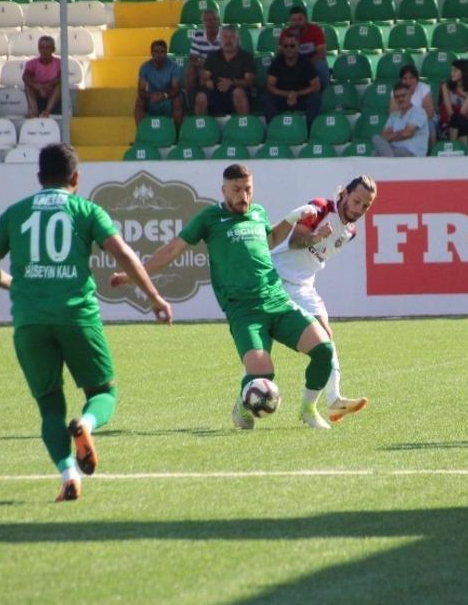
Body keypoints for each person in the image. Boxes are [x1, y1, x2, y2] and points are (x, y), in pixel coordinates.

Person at [0, 143, 172, 502]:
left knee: (50, 406)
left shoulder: (15, 212)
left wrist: (12, 284)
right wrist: (154, 298)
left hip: (30, 322)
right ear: (76, 178)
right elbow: (123, 253)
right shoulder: (86, 210)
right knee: (102, 393)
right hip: (77, 316)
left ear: (39, 178)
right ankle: (87, 424)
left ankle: (68, 474)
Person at [112, 163, 337, 430]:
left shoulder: (258, 212)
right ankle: (242, 406)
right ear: (223, 190)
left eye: (248, 189)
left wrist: (289, 220)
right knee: (262, 375)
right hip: (244, 311)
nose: (243, 196)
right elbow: (172, 250)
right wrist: (133, 275)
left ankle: (308, 409)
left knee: (324, 350)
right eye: (236, 190)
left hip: (277, 300)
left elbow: (269, 241)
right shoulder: (209, 218)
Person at [270, 176, 377, 426]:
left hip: (304, 285)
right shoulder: (319, 208)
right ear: (344, 195)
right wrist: (315, 237)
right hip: (276, 279)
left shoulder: (350, 231)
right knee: (264, 344)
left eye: (366, 206)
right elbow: (295, 242)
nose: (359, 209)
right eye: (357, 201)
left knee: (326, 339)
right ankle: (247, 397)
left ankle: (331, 399)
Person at [195, 26, 255, 118]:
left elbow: (250, 82)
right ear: (220, 40)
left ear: (238, 39)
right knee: (201, 97)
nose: (228, 41)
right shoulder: (212, 56)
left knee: (238, 92)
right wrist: (207, 83)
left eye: (232, 37)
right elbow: (203, 80)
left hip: (236, 93)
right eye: (225, 37)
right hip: (216, 93)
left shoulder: (246, 57)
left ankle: (244, 127)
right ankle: (201, 130)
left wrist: (231, 82)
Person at [263, 32, 321, 127]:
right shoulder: (277, 62)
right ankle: (274, 129)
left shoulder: (306, 62)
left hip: (301, 98)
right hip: (282, 97)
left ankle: (310, 131)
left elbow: (316, 86)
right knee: (267, 98)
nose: (289, 49)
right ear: (282, 48)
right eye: (285, 46)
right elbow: (269, 85)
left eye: (292, 46)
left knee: (315, 98)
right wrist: (288, 94)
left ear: (298, 47)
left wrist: (296, 94)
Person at [134, 39, 184, 127]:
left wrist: (164, 95)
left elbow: (176, 88)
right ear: (151, 53)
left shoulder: (174, 66)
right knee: (139, 101)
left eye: (162, 51)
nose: (159, 54)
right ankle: (141, 133)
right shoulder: (145, 67)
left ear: (166, 53)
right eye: (156, 51)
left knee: (177, 100)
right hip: (152, 98)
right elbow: (141, 90)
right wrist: (151, 96)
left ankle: (177, 134)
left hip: (168, 98)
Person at [373, 82, 429, 157]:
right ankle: (391, 162)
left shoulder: (418, 111)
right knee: (376, 140)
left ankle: (391, 163)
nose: (400, 99)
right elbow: (383, 135)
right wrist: (399, 133)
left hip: (412, 152)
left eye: (403, 95)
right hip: (394, 150)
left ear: (410, 95)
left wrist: (391, 136)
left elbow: (407, 133)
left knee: (377, 154)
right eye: (397, 97)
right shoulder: (394, 115)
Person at [283, 5, 329, 91]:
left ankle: (325, 95)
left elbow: (321, 53)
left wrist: (306, 65)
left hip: (313, 62)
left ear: (306, 19)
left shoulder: (316, 30)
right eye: (293, 20)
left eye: (300, 19)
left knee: (321, 66)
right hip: (293, 63)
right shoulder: (286, 33)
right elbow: (281, 53)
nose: (297, 23)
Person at [439, 58, 468, 145]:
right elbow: (450, 113)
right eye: (451, 70)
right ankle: (462, 151)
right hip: (448, 123)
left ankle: (454, 149)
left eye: (455, 71)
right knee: (457, 118)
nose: (452, 73)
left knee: (461, 122)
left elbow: (463, 112)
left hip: (464, 123)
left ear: (464, 72)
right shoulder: (446, 86)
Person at [390, 65, 437, 147]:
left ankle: (430, 154)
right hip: (404, 121)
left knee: (429, 125)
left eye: (411, 78)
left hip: (423, 120)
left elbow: (430, 114)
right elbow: (393, 113)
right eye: (405, 78)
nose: (408, 81)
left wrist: (414, 123)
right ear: (401, 80)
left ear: (416, 79)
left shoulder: (424, 88)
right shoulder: (396, 91)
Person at [186, 8, 221, 102]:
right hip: (204, 66)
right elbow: (193, 59)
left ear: (219, 21)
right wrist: (206, 67)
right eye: (208, 20)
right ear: (203, 22)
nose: (211, 22)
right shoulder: (198, 35)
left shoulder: (224, 35)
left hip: (222, 66)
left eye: (214, 19)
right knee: (191, 70)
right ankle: (192, 105)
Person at [22, 35, 62, 118]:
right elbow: (25, 77)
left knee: (59, 86)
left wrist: (49, 85)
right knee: (28, 87)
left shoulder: (59, 63)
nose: (44, 50)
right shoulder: (31, 63)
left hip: (52, 90)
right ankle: (34, 112)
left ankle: (47, 111)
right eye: (42, 47)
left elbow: (61, 77)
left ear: (53, 49)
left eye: (48, 47)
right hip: (37, 91)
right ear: (39, 49)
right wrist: (38, 87)